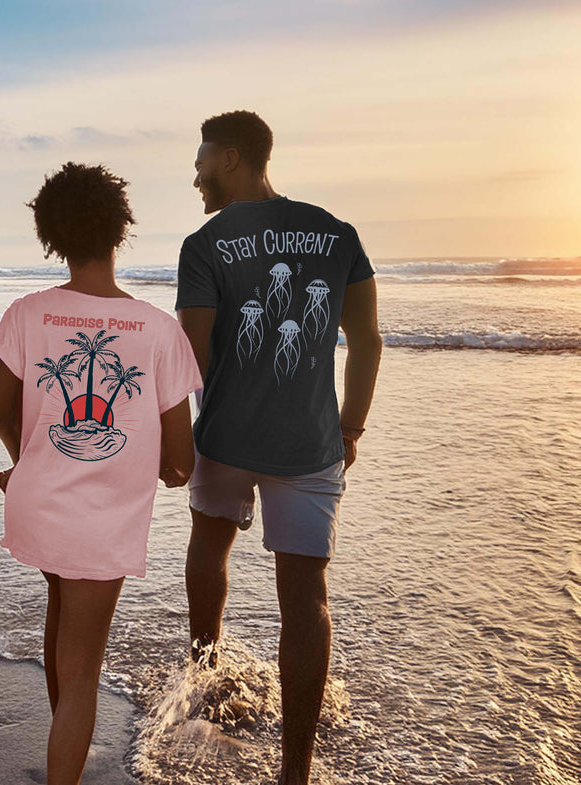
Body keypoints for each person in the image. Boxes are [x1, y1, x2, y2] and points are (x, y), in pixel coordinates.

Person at [176, 111, 383, 785]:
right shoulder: (338, 232)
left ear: (233, 158)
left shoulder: (205, 242)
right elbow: (368, 341)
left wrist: (202, 426)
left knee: (211, 542)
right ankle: (295, 769)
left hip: (227, 437)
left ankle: (203, 681)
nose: (197, 174)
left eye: (202, 159)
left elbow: (193, 355)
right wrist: (350, 427)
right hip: (308, 442)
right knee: (304, 591)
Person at [0, 162, 202, 785]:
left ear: (52, 236)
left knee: (62, 622)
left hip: (39, 503)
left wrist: (27, 458)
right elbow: (180, 463)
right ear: (119, 231)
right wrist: (162, 466)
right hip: (99, 524)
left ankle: (64, 741)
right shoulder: (159, 330)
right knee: (83, 672)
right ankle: (65, 758)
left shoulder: (28, 314)